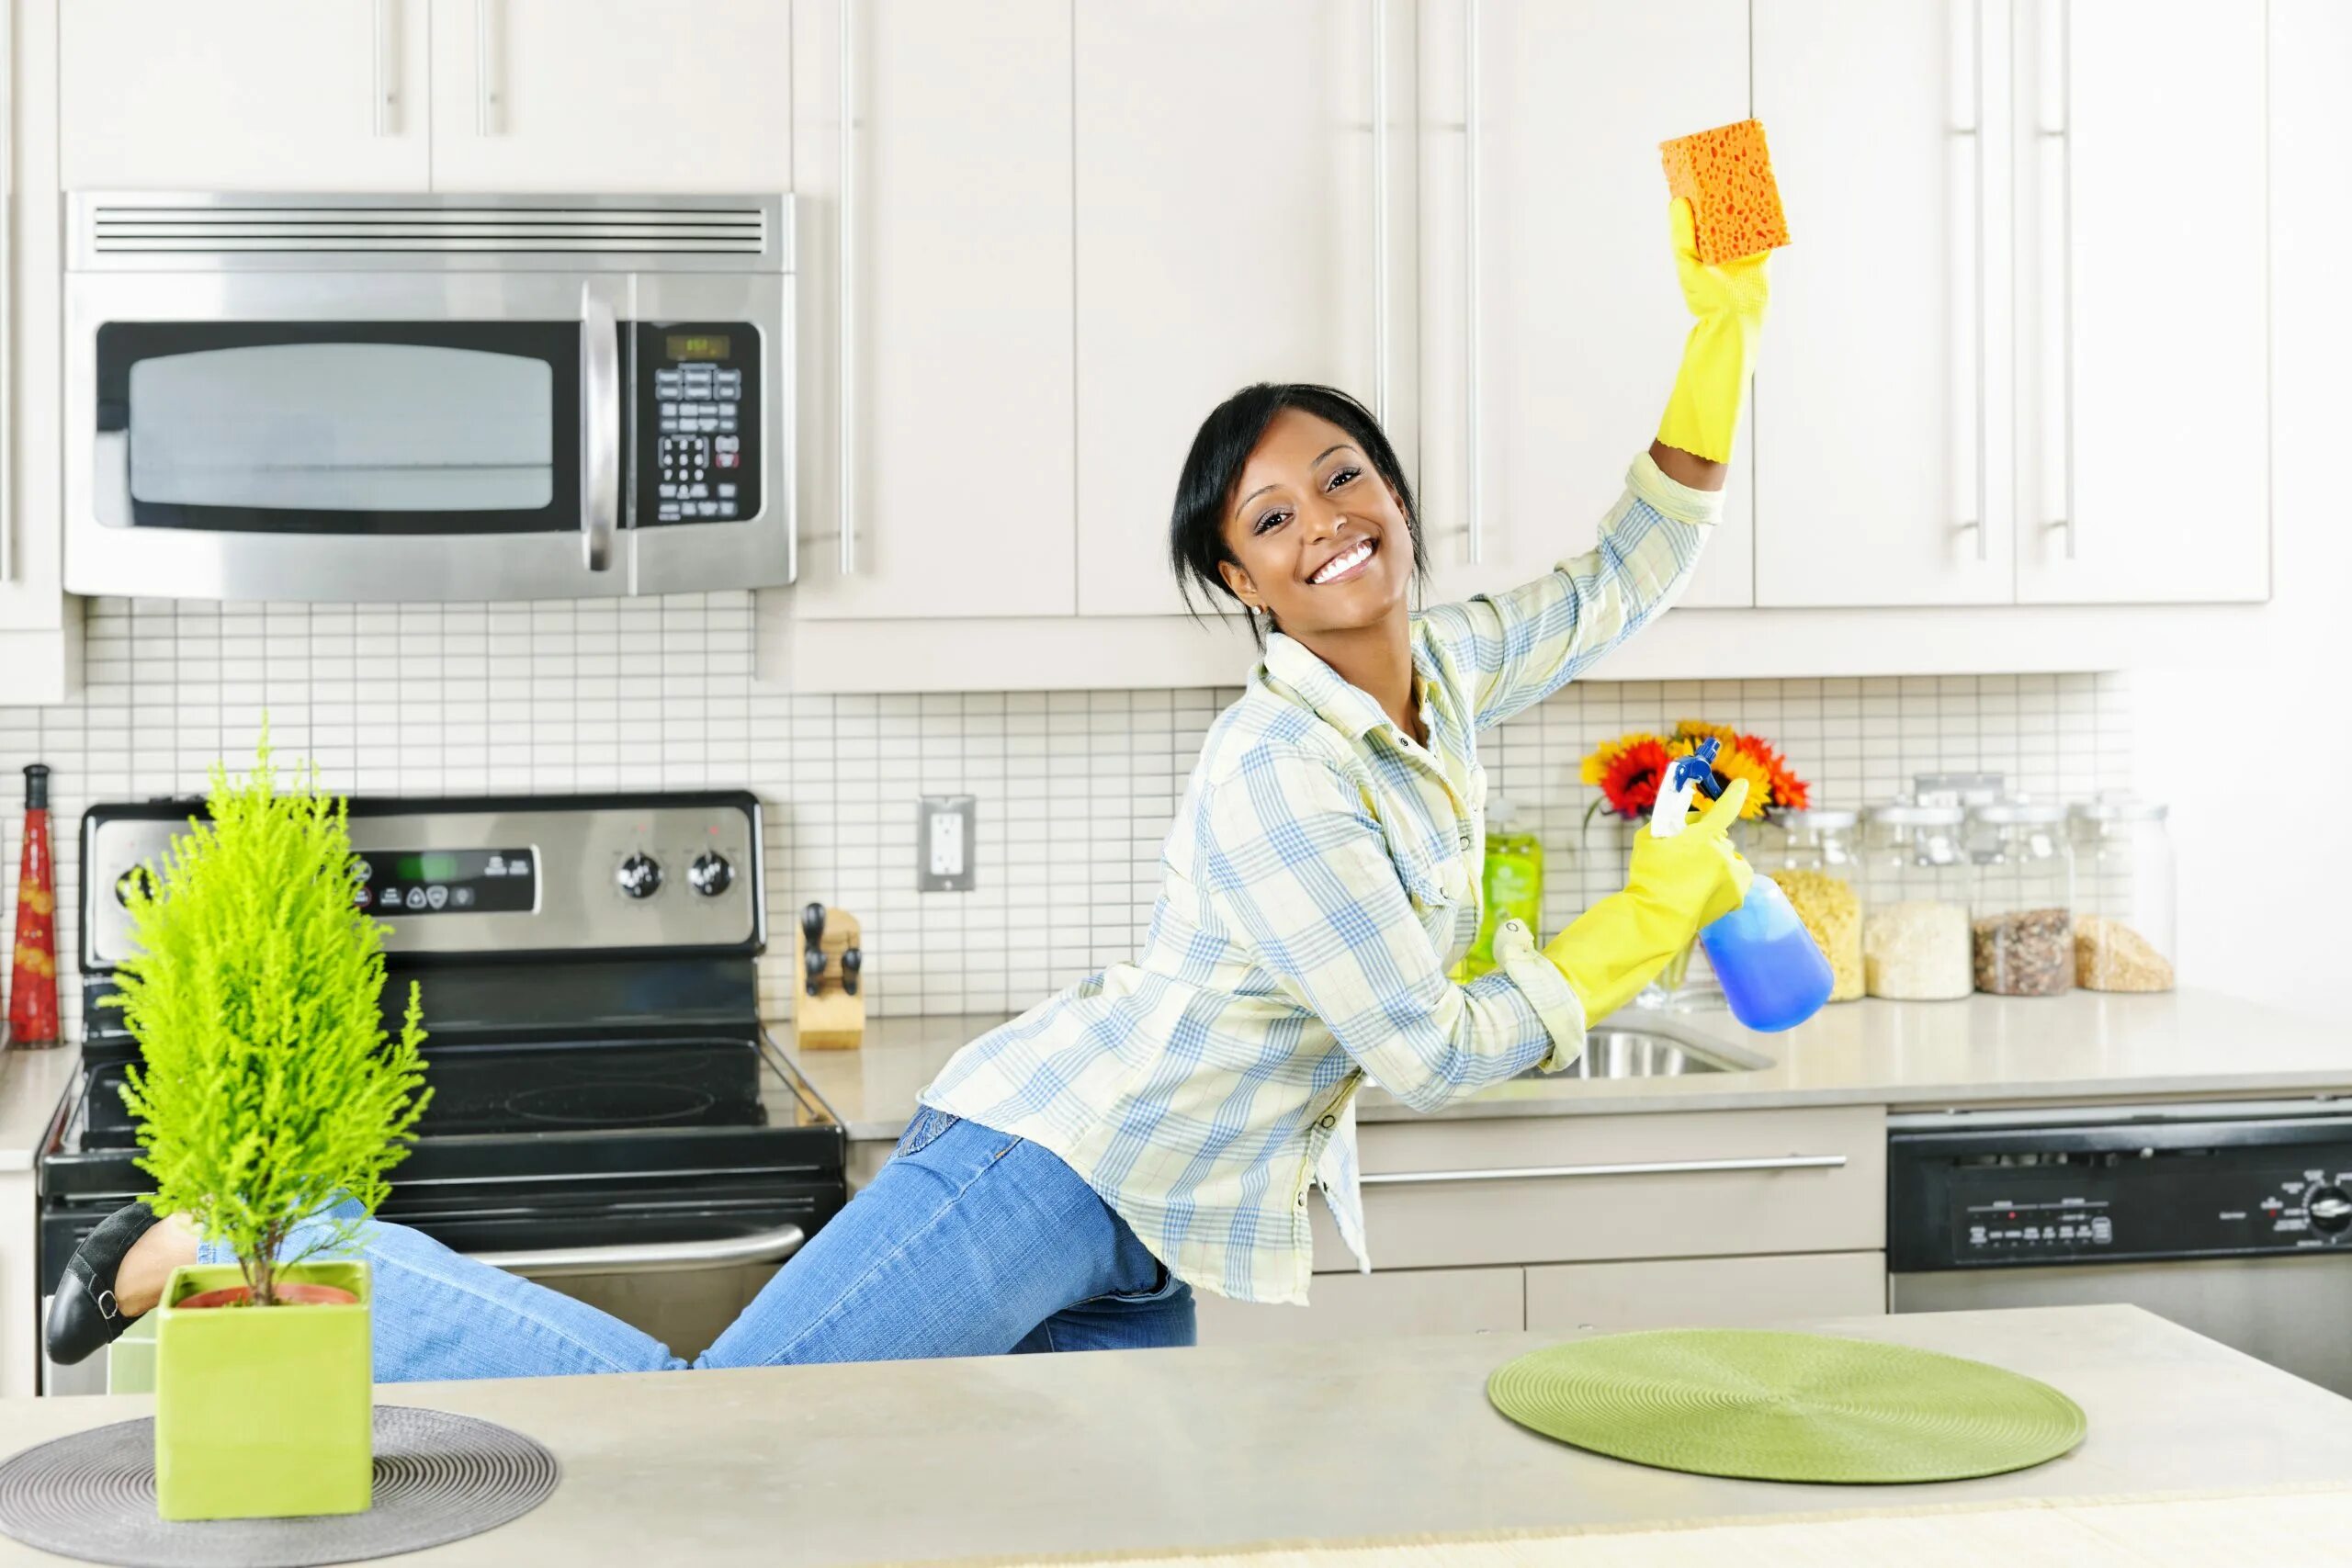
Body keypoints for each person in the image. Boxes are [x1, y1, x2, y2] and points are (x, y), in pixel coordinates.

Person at [50, 198, 1769, 1378]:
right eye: (1271, 515)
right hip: (1044, 1167)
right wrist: (1645, 922)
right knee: (734, 1428)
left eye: (1342, 475)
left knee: (1049, 1529)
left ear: (1395, 493)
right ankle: (219, 1251)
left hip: (1155, 1228)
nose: (1326, 520)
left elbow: (1633, 563)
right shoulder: (1278, 778)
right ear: (1240, 585)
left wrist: (1723, 330)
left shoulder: (1448, 665)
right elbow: (1432, 1050)